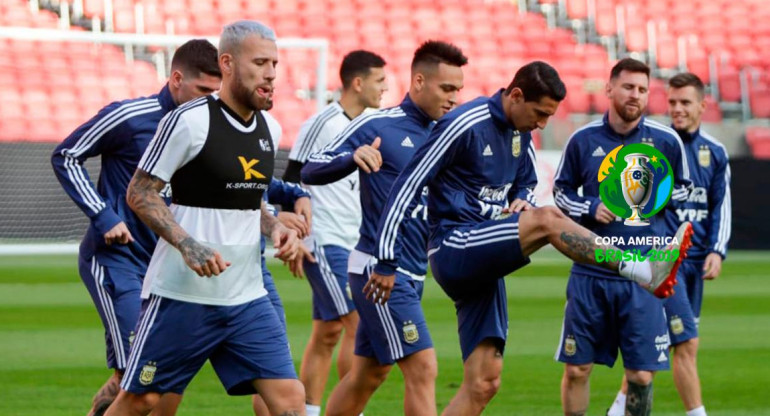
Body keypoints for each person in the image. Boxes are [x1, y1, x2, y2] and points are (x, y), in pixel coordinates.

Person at [370, 60, 693, 416]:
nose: (541, 124)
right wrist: (386, 259)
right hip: (454, 244)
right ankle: (643, 271)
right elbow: (408, 184)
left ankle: (643, 271)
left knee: (485, 383)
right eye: (539, 113)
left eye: (548, 117)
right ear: (517, 95)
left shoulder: (521, 133)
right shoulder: (464, 123)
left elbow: (526, 182)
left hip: (484, 257)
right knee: (548, 220)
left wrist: (521, 197)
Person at [104, 20, 305, 416]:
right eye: (260, 62)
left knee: (290, 399)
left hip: (246, 296)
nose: (270, 73)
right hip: (183, 296)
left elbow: (251, 202)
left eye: (275, 64)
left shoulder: (270, 127)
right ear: (227, 63)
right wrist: (187, 245)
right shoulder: (189, 120)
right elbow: (140, 193)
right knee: (140, 400)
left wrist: (277, 226)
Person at [50, 39, 221, 416]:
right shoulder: (130, 117)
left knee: (152, 380)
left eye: (216, 92)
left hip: (168, 270)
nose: (210, 100)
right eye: (203, 90)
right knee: (139, 378)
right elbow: (66, 155)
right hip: (119, 262)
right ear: (177, 79)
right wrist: (103, 214)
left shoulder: (209, 127)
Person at [301, 40, 468, 416]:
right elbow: (311, 167)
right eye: (446, 88)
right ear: (419, 82)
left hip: (412, 270)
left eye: (458, 89)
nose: (454, 97)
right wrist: (350, 157)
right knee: (423, 367)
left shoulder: (449, 134)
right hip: (377, 269)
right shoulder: (378, 124)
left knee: (368, 374)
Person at [553, 58, 693, 416]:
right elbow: (560, 192)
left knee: (642, 376)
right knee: (577, 369)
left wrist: (653, 195)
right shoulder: (582, 140)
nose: (636, 95)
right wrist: (591, 206)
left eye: (643, 90)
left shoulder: (666, 140)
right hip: (592, 269)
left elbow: (686, 191)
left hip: (644, 275)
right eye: (629, 87)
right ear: (610, 89)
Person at [606, 72, 731, 416]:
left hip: (694, 264)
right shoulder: (653, 145)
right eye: (672, 102)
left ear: (702, 106)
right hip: (662, 260)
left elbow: (721, 205)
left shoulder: (715, 152)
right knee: (685, 342)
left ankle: (617, 410)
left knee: (654, 347)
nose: (677, 109)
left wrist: (717, 251)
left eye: (685, 102)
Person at [283, 49, 388, 416]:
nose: (385, 88)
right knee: (359, 324)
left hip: (356, 242)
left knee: (328, 332)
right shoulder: (322, 122)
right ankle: (350, 411)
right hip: (324, 240)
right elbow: (291, 180)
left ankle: (309, 411)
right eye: (379, 81)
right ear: (357, 83)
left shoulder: (373, 123)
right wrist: (294, 236)